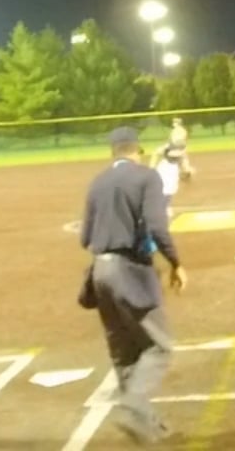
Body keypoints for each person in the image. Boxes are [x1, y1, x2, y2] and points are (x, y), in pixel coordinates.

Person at [80, 126, 187, 446]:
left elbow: (85, 237)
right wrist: (175, 263)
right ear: (136, 150)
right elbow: (157, 226)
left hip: (99, 273)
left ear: (112, 152)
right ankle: (132, 407)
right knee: (158, 346)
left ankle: (148, 426)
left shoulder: (97, 181)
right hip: (129, 271)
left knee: (124, 352)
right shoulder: (146, 177)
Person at [151, 137, 185, 213]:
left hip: (173, 169)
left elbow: (182, 160)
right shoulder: (166, 148)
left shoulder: (182, 149)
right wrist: (152, 167)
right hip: (165, 168)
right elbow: (155, 153)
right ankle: (162, 207)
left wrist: (185, 169)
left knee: (171, 188)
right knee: (165, 188)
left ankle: (165, 206)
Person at [168, 117, 195, 182]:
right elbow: (185, 139)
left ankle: (182, 171)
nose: (173, 123)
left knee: (173, 157)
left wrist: (170, 146)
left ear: (177, 123)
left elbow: (171, 139)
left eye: (174, 122)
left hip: (176, 145)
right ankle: (187, 170)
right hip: (182, 145)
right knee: (184, 157)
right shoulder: (183, 130)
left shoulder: (174, 130)